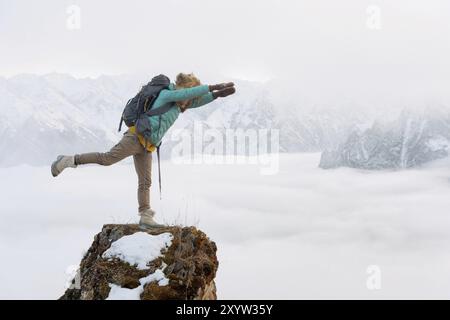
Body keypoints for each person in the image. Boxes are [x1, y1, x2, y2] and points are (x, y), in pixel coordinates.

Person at [51, 73, 236, 229]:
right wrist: (213, 86)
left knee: (146, 181)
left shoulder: (179, 104)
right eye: (188, 93)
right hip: (135, 138)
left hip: (147, 145)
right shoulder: (166, 94)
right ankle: (67, 161)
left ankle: (145, 217)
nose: (189, 100)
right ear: (183, 88)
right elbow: (191, 94)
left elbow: (195, 100)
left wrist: (218, 94)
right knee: (107, 159)